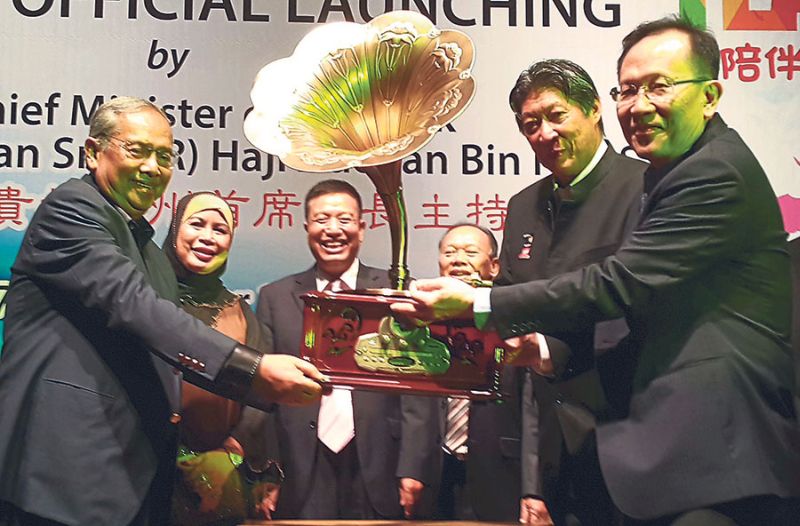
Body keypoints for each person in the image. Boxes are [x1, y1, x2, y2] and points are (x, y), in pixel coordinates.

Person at [393, 16, 800, 525]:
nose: (640, 105)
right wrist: (530, 346)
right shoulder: (555, 199)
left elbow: (617, 287)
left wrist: (478, 303)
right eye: (629, 90)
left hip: (707, 454)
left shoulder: (702, 174)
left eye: (659, 87)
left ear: (711, 95)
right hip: (592, 451)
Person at [0, 97, 323, 526]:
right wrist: (253, 368)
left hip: (134, 480)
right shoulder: (71, 209)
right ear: (93, 152)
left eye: (165, 156)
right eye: (137, 150)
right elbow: (134, 307)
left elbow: (166, 350)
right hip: (60, 472)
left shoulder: (150, 253)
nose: (153, 167)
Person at [501, 59, 646, 526]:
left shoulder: (645, 187)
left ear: (595, 109)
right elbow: (509, 299)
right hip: (552, 452)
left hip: (633, 438)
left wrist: (548, 348)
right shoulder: (523, 207)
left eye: (556, 114)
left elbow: (644, 312)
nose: (544, 133)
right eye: (530, 124)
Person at [255, 179, 439, 520]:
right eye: (322, 220)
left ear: (362, 227)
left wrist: (413, 466)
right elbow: (266, 396)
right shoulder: (274, 298)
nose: (333, 230)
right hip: (300, 467)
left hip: (380, 461)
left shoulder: (394, 290)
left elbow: (417, 389)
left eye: (344, 219)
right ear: (307, 227)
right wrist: (270, 471)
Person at [162, 192, 282, 524]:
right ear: (175, 231)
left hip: (221, 478)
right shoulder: (144, 298)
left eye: (220, 229)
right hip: (145, 466)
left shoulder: (242, 314)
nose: (207, 237)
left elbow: (262, 395)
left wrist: (232, 451)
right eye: (196, 224)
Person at [434, 223, 524, 522]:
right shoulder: (420, 316)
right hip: (434, 471)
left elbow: (535, 408)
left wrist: (535, 488)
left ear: (494, 266)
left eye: (470, 252)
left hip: (502, 467)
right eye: (449, 252)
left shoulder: (517, 319)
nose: (458, 259)